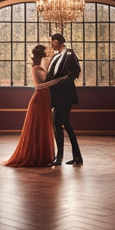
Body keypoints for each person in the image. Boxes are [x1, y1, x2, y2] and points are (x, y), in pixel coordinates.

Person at [4, 44, 65, 167]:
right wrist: (61, 79)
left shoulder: (40, 66)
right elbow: (40, 86)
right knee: (38, 128)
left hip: (44, 99)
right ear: (41, 55)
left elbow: (49, 74)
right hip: (39, 99)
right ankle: (36, 156)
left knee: (43, 127)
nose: (48, 53)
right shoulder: (36, 68)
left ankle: (42, 155)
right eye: (45, 52)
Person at [45, 33, 83, 166]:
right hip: (56, 96)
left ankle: (59, 158)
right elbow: (51, 75)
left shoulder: (69, 54)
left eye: (53, 42)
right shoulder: (56, 56)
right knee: (65, 124)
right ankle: (77, 157)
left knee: (57, 123)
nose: (51, 44)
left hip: (65, 95)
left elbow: (76, 71)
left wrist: (63, 81)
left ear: (59, 42)